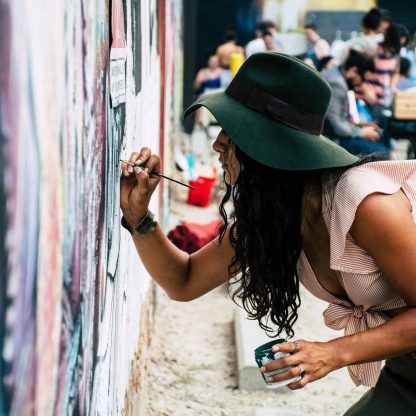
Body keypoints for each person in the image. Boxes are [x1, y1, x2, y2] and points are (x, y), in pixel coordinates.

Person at [120, 52, 416, 415]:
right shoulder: (275, 219)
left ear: (267, 147)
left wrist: (332, 353)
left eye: (233, 132)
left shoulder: (364, 203)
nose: (217, 145)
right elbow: (184, 280)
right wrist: (138, 218)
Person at [320, 52, 389, 157]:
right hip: (332, 140)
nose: (361, 84)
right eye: (363, 79)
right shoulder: (337, 83)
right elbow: (336, 125)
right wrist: (362, 132)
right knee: (382, 152)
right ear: (353, 71)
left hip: (334, 135)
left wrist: (361, 126)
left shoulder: (337, 75)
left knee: (380, 139)